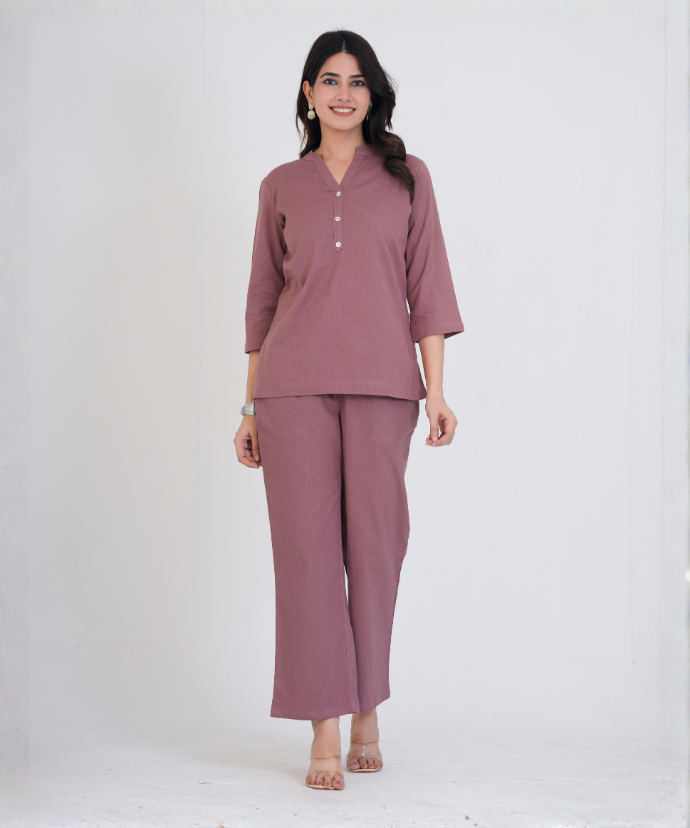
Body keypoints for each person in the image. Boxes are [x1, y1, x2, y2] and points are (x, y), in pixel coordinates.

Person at [234, 29, 464, 791]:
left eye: (357, 81)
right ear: (308, 94)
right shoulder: (280, 185)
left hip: (384, 386)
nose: (343, 93)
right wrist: (248, 406)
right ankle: (325, 730)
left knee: (374, 550)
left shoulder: (408, 178)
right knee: (305, 557)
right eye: (329, 80)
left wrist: (436, 389)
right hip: (291, 387)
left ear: (373, 94)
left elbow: (428, 288)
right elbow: (263, 300)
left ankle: (368, 706)